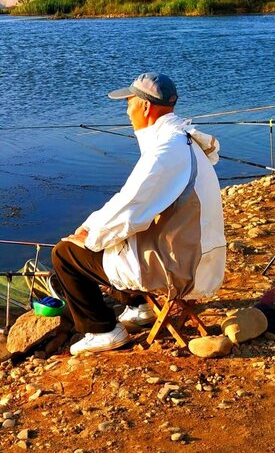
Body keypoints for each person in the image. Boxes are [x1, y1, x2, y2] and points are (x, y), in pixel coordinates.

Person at [52, 72, 226, 355]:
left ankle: (103, 331)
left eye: (129, 103)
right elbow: (133, 204)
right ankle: (141, 306)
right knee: (116, 238)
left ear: (145, 107)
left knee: (65, 254)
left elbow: (130, 207)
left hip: (185, 267)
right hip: (202, 256)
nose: (127, 111)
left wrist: (88, 235)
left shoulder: (166, 150)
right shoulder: (184, 139)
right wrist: (94, 230)